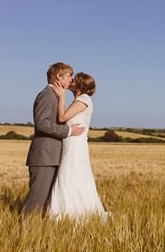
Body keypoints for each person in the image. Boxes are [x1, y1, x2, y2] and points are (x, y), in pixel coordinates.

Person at [23, 62, 85, 216]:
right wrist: (69, 130)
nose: (71, 79)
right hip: (44, 157)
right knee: (37, 200)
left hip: (52, 156)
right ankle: (24, 232)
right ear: (58, 77)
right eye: (69, 76)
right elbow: (42, 124)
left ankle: (36, 233)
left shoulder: (55, 96)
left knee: (46, 202)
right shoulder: (47, 95)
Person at [48, 72, 108, 220]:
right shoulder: (79, 99)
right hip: (71, 141)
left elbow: (62, 117)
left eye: (74, 80)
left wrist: (61, 96)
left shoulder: (83, 99)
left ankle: (68, 212)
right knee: (71, 173)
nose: (71, 81)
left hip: (75, 144)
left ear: (79, 85)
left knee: (70, 173)